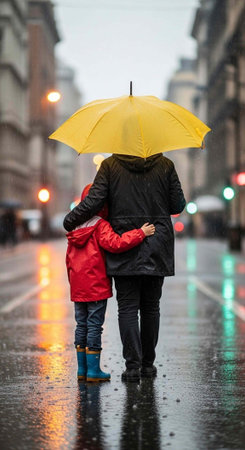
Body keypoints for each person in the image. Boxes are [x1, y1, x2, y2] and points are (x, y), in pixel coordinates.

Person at [64, 154, 186, 382]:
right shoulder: (166, 165)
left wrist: (70, 220)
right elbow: (177, 204)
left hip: (123, 239)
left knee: (127, 307)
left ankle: (132, 368)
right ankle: (148, 366)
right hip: (156, 240)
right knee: (151, 307)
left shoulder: (110, 166)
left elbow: (94, 201)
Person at [66, 183, 155, 382]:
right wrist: (140, 233)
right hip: (96, 285)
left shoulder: (76, 227)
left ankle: (82, 370)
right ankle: (93, 370)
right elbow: (116, 244)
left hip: (78, 286)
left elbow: (69, 259)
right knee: (95, 325)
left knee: (81, 325)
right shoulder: (100, 225)